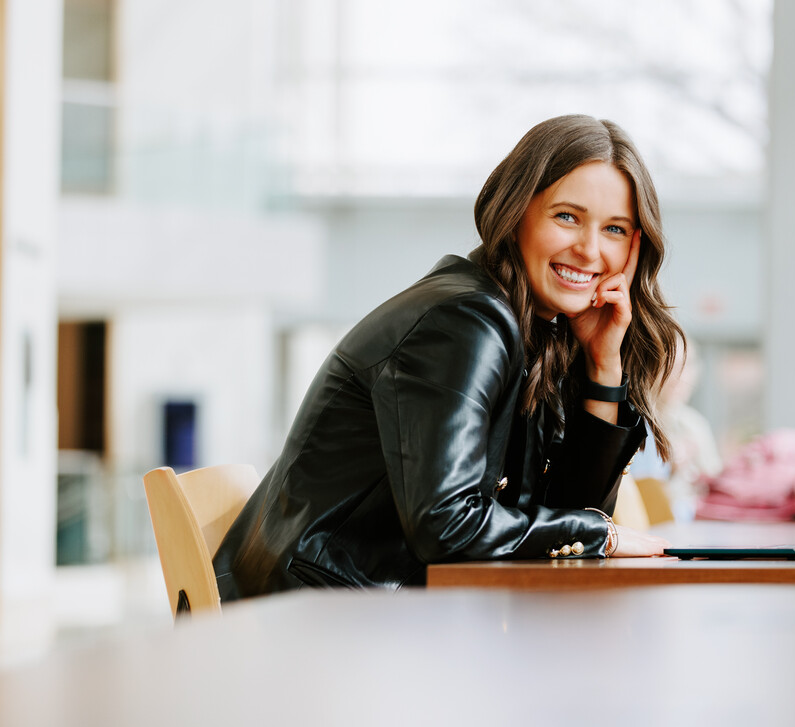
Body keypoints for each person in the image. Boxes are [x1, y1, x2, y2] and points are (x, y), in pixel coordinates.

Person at [213, 114, 685, 597]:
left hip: (371, 614)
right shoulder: (465, 322)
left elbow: (570, 510)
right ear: (517, 210)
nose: (589, 249)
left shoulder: (535, 331)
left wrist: (603, 366)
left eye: (615, 229)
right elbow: (447, 525)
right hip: (316, 623)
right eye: (568, 217)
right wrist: (594, 536)